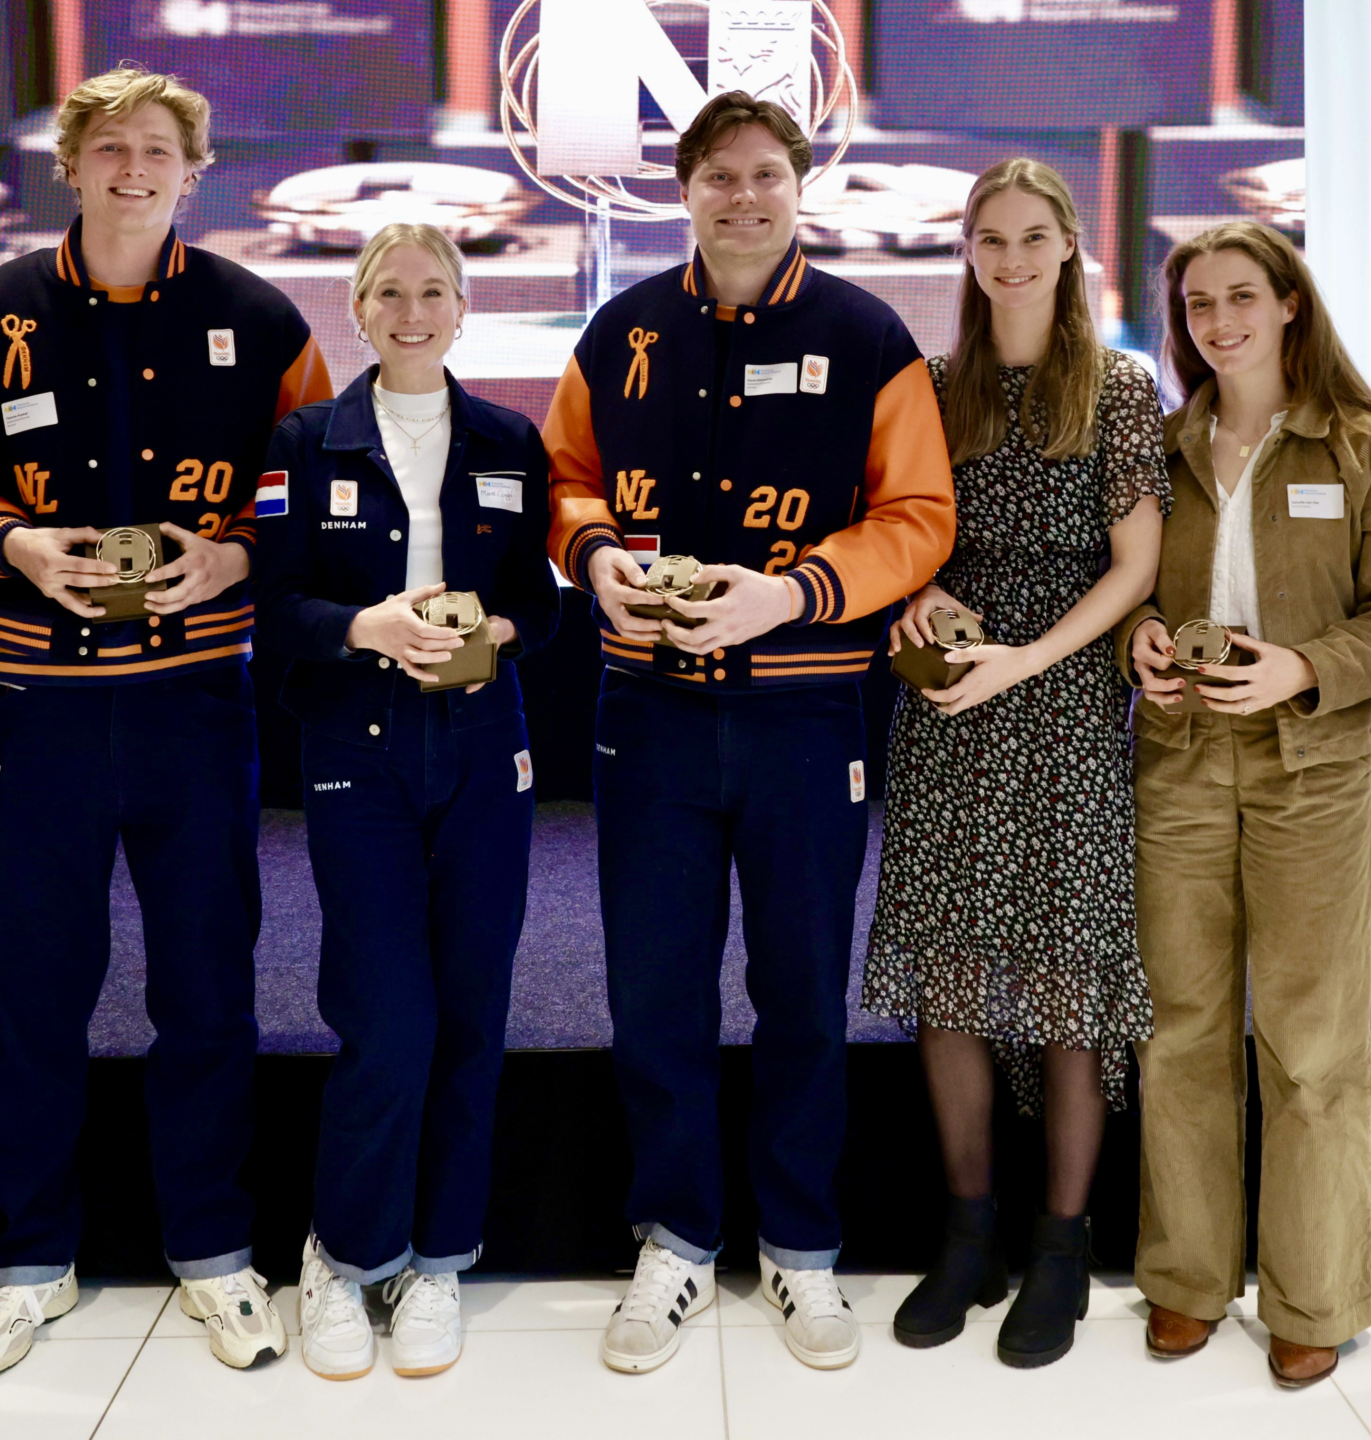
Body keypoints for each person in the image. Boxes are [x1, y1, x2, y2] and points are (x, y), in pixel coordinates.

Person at [0, 63, 331, 1377]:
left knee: (206, 988)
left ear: (194, 171)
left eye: (160, 151)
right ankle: (28, 1259)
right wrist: (20, 547)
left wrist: (233, 562)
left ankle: (213, 1248)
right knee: (27, 990)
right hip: (39, 710)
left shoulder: (259, 316)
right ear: (72, 164)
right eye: (112, 149)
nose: (135, 171)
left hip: (197, 708)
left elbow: (305, 483)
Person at [542, 90, 954, 1374]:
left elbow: (920, 515)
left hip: (801, 710)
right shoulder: (621, 332)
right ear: (684, 190)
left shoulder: (865, 332)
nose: (743, 195)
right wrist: (594, 557)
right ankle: (673, 1238)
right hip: (647, 714)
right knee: (655, 991)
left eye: (766, 173)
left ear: (799, 185)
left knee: (798, 996)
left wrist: (792, 591)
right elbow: (565, 483)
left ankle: (800, 1248)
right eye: (718, 175)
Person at [1122, 219, 1371, 1388]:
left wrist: (1299, 668)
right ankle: (1187, 1280)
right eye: (1200, 304)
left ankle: (1312, 1291)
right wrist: (1140, 645)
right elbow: (1123, 598)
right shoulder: (1158, 449)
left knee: (1310, 1044)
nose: (1220, 321)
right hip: (1181, 763)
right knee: (1181, 1035)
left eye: (1242, 296)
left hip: (1312, 770)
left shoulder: (1359, 446)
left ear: (1289, 303)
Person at [862, 157, 1166, 1369]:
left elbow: (1136, 568)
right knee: (945, 975)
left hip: (1065, 700)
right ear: (968, 251)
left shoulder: (1122, 386)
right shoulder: (931, 387)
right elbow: (897, 534)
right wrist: (922, 593)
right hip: (947, 705)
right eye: (989, 237)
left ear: (1069, 245)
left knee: (1062, 982)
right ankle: (968, 1233)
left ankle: (1061, 1246)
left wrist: (1028, 661)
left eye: (1032, 235)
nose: (1010, 256)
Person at [253, 222, 558, 1379]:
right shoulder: (305, 440)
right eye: (391, 293)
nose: (413, 311)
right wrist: (362, 628)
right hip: (358, 756)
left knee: (473, 1013)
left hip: (484, 752)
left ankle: (440, 1256)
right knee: (385, 1017)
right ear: (359, 308)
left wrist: (510, 626)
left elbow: (544, 598)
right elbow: (275, 608)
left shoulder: (508, 441)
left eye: (435, 291)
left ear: (464, 307)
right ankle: (348, 1251)